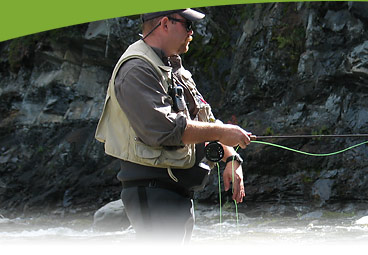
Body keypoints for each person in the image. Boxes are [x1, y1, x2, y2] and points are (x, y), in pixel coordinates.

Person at [94, 8, 252, 242]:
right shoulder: (137, 69)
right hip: (153, 191)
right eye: (188, 24)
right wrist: (222, 132)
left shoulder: (171, 67)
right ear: (165, 23)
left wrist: (230, 156)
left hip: (174, 193)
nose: (192, 32)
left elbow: (202, 122)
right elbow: (166, 129)